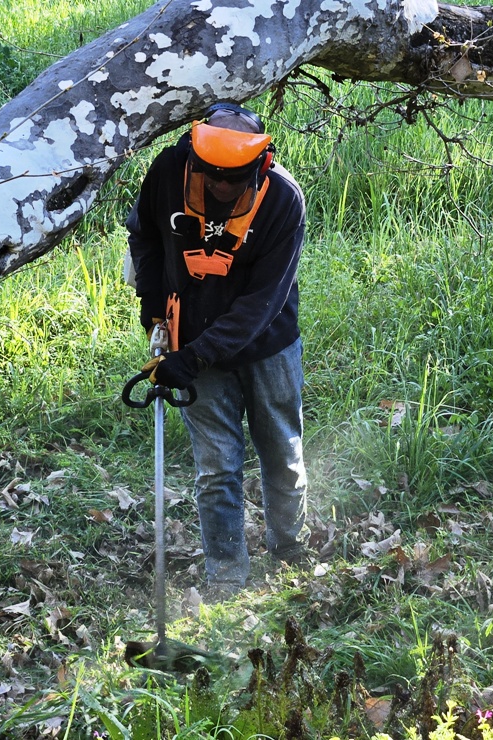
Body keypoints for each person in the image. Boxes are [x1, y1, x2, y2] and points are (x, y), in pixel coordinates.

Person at [125, 101, 309, 596]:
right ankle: (226, 575)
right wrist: (152, 302)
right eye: (213, 177)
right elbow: (142, 235)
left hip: (267, 345)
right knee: (217, 467)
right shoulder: (168, 170)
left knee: (281, 451)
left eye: (236, 179)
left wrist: (196, 356)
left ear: (260, 164)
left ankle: (289, 549)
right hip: (189, 343)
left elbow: (261, 303)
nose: (224, 187)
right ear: (195, 160)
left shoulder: (283, 201)